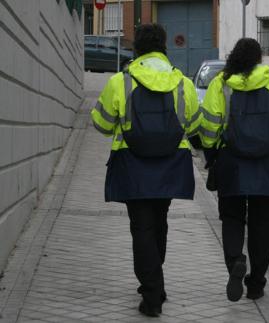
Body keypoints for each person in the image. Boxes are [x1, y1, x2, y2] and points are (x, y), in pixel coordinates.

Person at [91, 24, 201, 317]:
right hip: (170, 163)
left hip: (132, 163)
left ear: (136, 48)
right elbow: (193, 126)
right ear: (164, 47)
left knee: (141, 227)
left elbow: (101, 125)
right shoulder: (183, 83)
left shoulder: (121, 81)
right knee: (160, 221)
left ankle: (152, 294)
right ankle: (155, 282)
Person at [199, 38, 269, 302]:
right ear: (259, 60)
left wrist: (211, 154)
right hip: (266, 167)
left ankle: (235, 262)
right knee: (262, 227)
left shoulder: (220, 85)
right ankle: (256, 284)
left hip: (231, 164)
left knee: (232, 218)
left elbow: (209, 128)